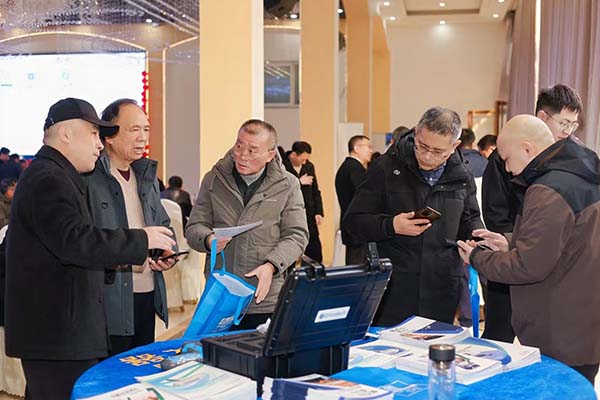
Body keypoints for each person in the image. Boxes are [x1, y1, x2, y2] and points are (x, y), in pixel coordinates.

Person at [3, 97, 175, 400]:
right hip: (57, 334)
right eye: (94, 134)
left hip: (62, 332)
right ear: (66, 134)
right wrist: (141, 240)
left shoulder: (58, 175)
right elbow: (76, 241)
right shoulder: (48, 178)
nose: (99, 144)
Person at [458, 114, 600, 384]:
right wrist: (510, 241)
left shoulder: (548, 189)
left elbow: (527, 265)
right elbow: (567, 238)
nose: (507, 169)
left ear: (527, 149)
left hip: (560, 329)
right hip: (582, 321)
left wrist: (477, 257)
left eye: (507, 159)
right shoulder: (580, 174)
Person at [344, 107, 483, 326]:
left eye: (437, 151)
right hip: (394, 290)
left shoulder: (461, 176)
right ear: (416, 132)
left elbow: (470, 220)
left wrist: (476, 238)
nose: (427, 156)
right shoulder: (386, 168)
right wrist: (391, 225)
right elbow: (352, 223)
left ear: (454, 146)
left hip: (442, 289)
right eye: (423, 146)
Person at [480, 83, 582, 342]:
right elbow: (495, 213)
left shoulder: (575, 161)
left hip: (551, 271)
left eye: (573, 125)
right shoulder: (505, 157)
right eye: (564, 123)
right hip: (511, 260)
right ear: (542, 118)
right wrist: (515, 244)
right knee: (499, 337)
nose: (568, 132)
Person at [185, 119, 308, 329]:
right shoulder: (214, 179)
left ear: (270, 155)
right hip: (221, 295)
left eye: (252, 150)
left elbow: (297, 235)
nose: (243, 155)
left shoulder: (287, 185)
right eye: (239, 146)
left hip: (264, 297)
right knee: (216, 350)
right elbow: (194, 227)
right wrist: (208, 239)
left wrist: (271, 265)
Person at [85, 98, 177, 356]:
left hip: (148, 292)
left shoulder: (146, 177)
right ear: (109, 136)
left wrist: (167, 253)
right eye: (134, 129)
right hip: (110, 299)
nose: (142, 137)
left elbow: (163, 225)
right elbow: (88, 239)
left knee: (141, 368)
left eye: (146, 129)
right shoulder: (90, 179)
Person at [282, 141, 324, 263]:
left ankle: (315, 270)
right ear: (294, 155)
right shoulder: (282, 166)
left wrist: (318, 212)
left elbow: (315, 191)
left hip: (308, 212)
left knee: (314, 248)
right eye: (302, 159)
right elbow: (282, 188)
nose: (304, 162)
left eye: (307, 159)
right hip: (290, 211)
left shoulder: (309, 166)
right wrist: (299, 182)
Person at [335, 135, 373, 264]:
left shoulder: (347, 167)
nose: (371, 150)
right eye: (368, 147)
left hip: (352, 226)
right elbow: (366, 197)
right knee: (358, 268)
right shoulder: (354, 169)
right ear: (356, 148)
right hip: (358, 228)